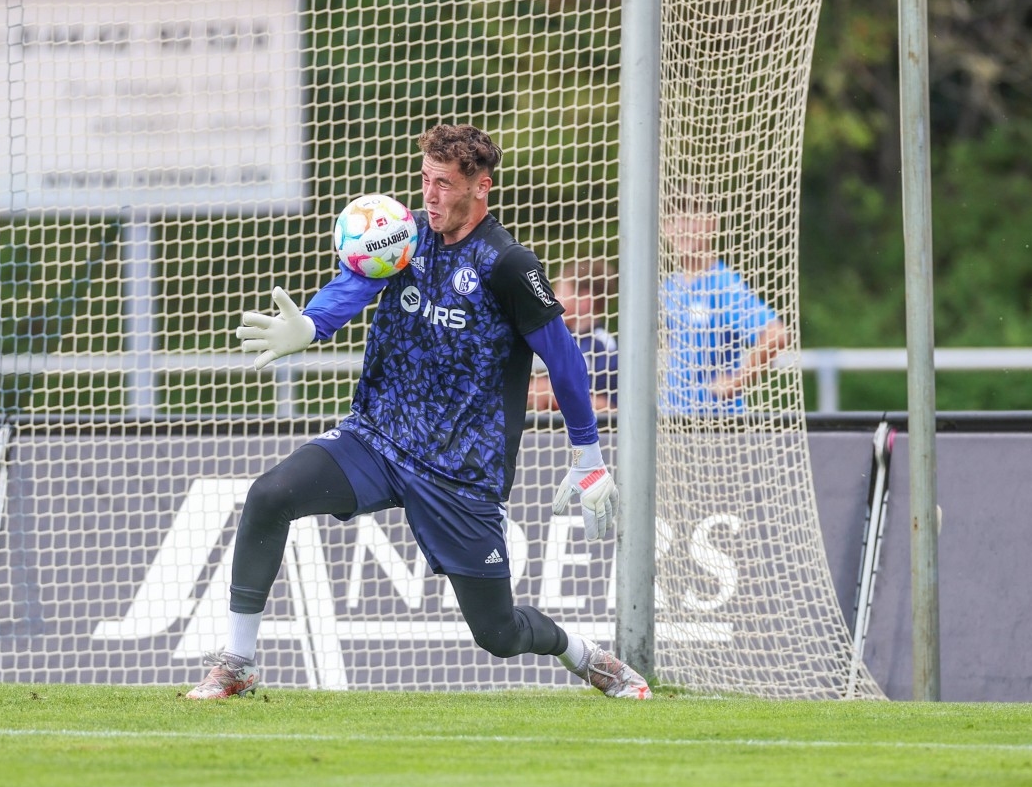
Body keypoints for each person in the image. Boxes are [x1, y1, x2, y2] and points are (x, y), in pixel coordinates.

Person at [188, 123, 650, 700]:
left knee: (499, 633)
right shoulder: (403, 235)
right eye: (425, 179)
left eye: (444, 184)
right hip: (376, 439)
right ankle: (237, 663)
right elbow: (351, 288)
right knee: (268, 496)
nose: (429, 196)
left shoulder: (507, 264)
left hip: (460, 471)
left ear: (480, 188)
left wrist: (588, 456)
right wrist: (309, 323)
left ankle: (581, 654)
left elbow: (564, 362)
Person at [661, 189, 789, 415]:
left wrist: (736, 381)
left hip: (715, 424)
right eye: (673, 219)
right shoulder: (669, 287)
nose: (681, 227)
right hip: (672, 419)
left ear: (711, 223)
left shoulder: (722, 284)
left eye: (690, 218)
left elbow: (775, 334)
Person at [528, 261, 618, 413]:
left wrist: (551, 394)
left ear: (585, 301)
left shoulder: (601, 345)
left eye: (560, 292)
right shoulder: (557, 339)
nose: (553, 299)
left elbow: (609, 405)